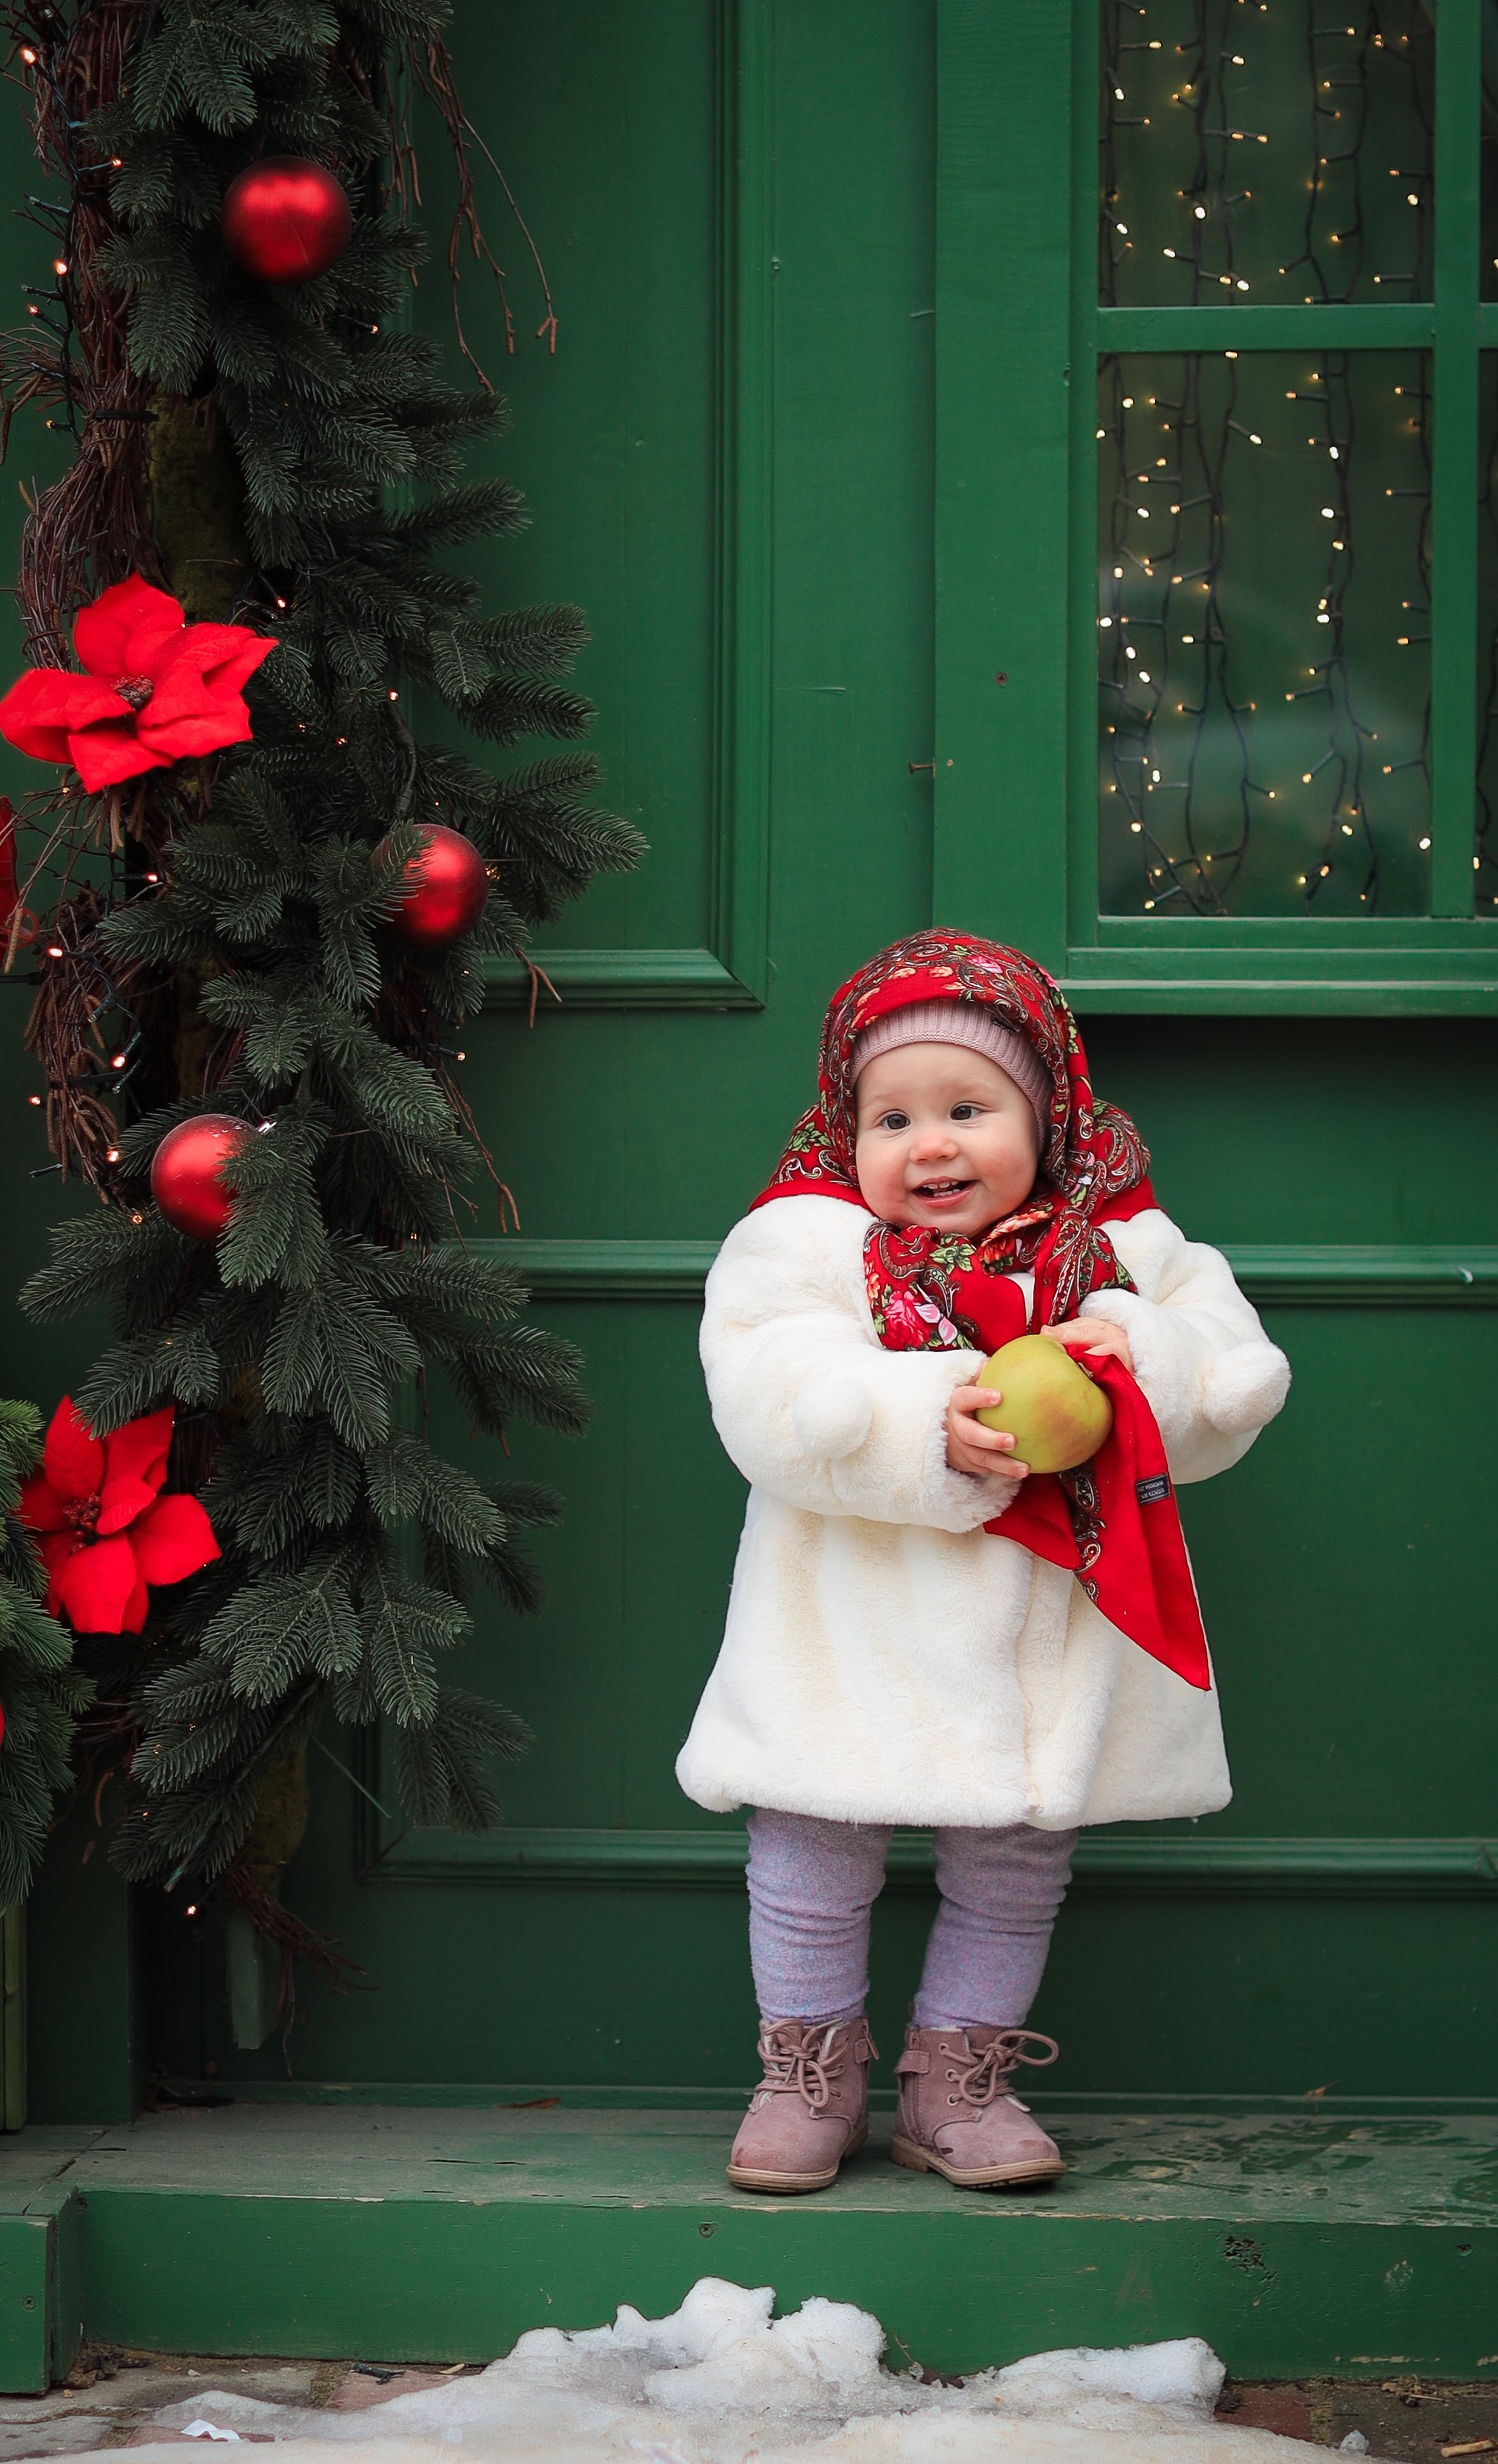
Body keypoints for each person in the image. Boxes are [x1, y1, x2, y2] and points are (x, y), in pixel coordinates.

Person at [676, 929, 1290, 2197]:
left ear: (1047, 1110)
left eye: (968, 1107)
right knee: (810, 1835)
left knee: (1015, 1847)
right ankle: (807, 2062)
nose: (930, 1143)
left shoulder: (1117, 1240)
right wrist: (916, 1419)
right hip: (848, 1607)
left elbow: (1220, 1357)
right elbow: (768, 1373)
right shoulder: (806, 1237)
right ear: (849, 1128)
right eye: (892, 1116)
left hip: (1039, 1628)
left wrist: (1124, 1351)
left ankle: (960, 2073)